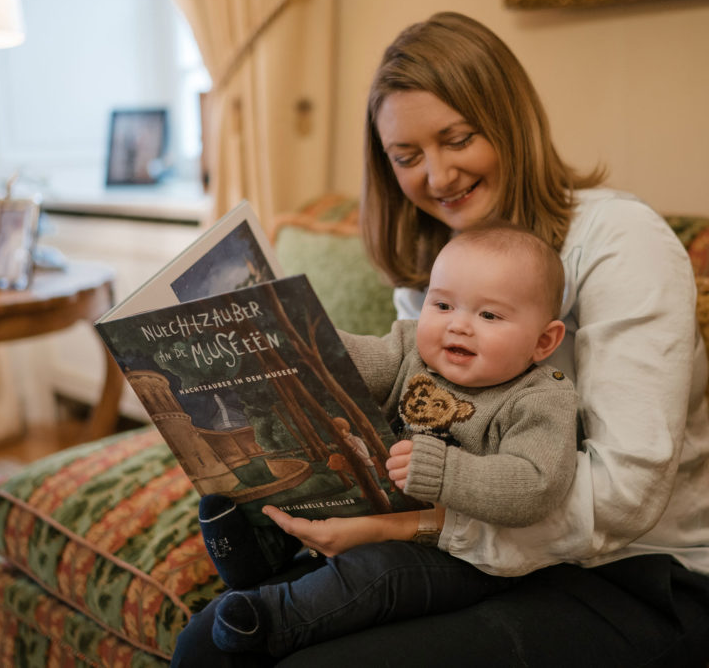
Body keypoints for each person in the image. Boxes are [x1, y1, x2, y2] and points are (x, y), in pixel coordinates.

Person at [172, 11, 709, 668]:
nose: (437, 178)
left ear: (509, 121)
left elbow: (626, 495)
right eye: (407, 157)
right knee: (205, 644)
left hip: (633, 574)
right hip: (465, 552)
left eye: (457, 139)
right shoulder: (436, 261)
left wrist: (414, 526)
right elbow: (400, 399)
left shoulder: (621, 241)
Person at [199, 223, 579, 657]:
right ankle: (258, 555)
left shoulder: (541, 397)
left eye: (489, 315)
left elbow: (537, 486)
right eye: (442, 305)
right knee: (303, 490)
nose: (458, 326)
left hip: (460, 558)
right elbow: (351, 367)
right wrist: (306, 343)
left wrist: (442, 470)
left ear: (543, 341)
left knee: (378, 574)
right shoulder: (410, 349)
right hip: (375, 508)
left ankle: (278, 618)